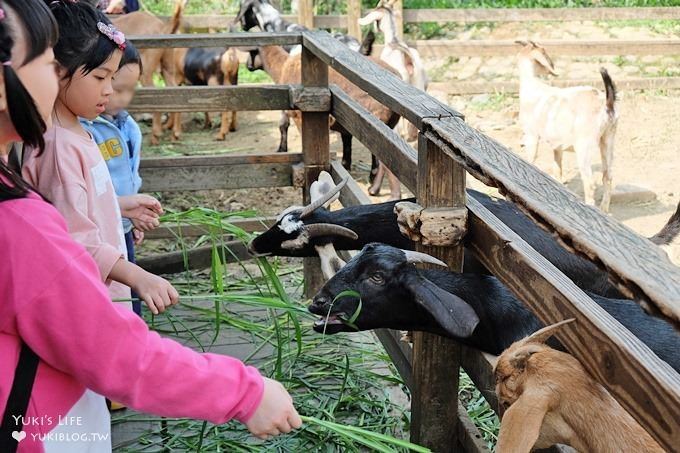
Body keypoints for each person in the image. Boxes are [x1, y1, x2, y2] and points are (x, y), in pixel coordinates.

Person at [0, 0, 302, 451]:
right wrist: (245, 392)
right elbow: (110, 351)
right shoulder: (18, 222)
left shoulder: (27, 179)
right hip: (40, 425)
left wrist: (117, 208)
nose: (58, 75)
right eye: (47, 62)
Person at [22, 0, 176, 317]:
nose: (108, 90)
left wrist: (118, 205)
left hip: (102, 291)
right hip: (88, 303)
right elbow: (74, 241)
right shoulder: (59, 148)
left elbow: (69, 207)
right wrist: (137, 276)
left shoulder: (78, 131)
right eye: (100, 77)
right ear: (59, 72)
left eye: (111, 78)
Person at [81, 42, 151, 316]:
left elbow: (133, 173)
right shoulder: (83, 130)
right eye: (116, 87)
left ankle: (132, 333)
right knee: (102, 290)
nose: (121, 98)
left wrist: (135, 216)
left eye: (130, 91)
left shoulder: (129, 127)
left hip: (122, 227)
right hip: (94, 229)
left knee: (129, 289)